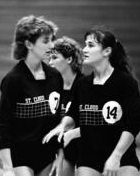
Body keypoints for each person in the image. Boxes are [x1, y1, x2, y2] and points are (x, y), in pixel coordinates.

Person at [43, 27, 140, 176]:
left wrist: (116, 157)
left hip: (121, 156)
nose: (84, 50)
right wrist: (63, 126)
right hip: (90, 158)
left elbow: (133, 124)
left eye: (90, 45)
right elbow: (73, 115)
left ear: (107, 51)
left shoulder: (126, 83)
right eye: (85, 44)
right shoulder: (82, 84)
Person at [0, 15, 64, 176]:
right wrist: (7, 167)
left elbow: (59, 120)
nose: (52, 45)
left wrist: (61, 154)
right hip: (20, 157)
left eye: (52, 40)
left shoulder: (55, 76)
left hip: (48, 156)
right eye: (46, 41)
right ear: (28, 44)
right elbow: (4, 125)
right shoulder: (13, 80)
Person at [48, 36, 83, 176]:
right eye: (49, 58)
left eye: (54, 58)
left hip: (87, 147)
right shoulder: (51, 88)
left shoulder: (86, 85)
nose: (50, 63)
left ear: (69, 59)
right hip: (64, 149)